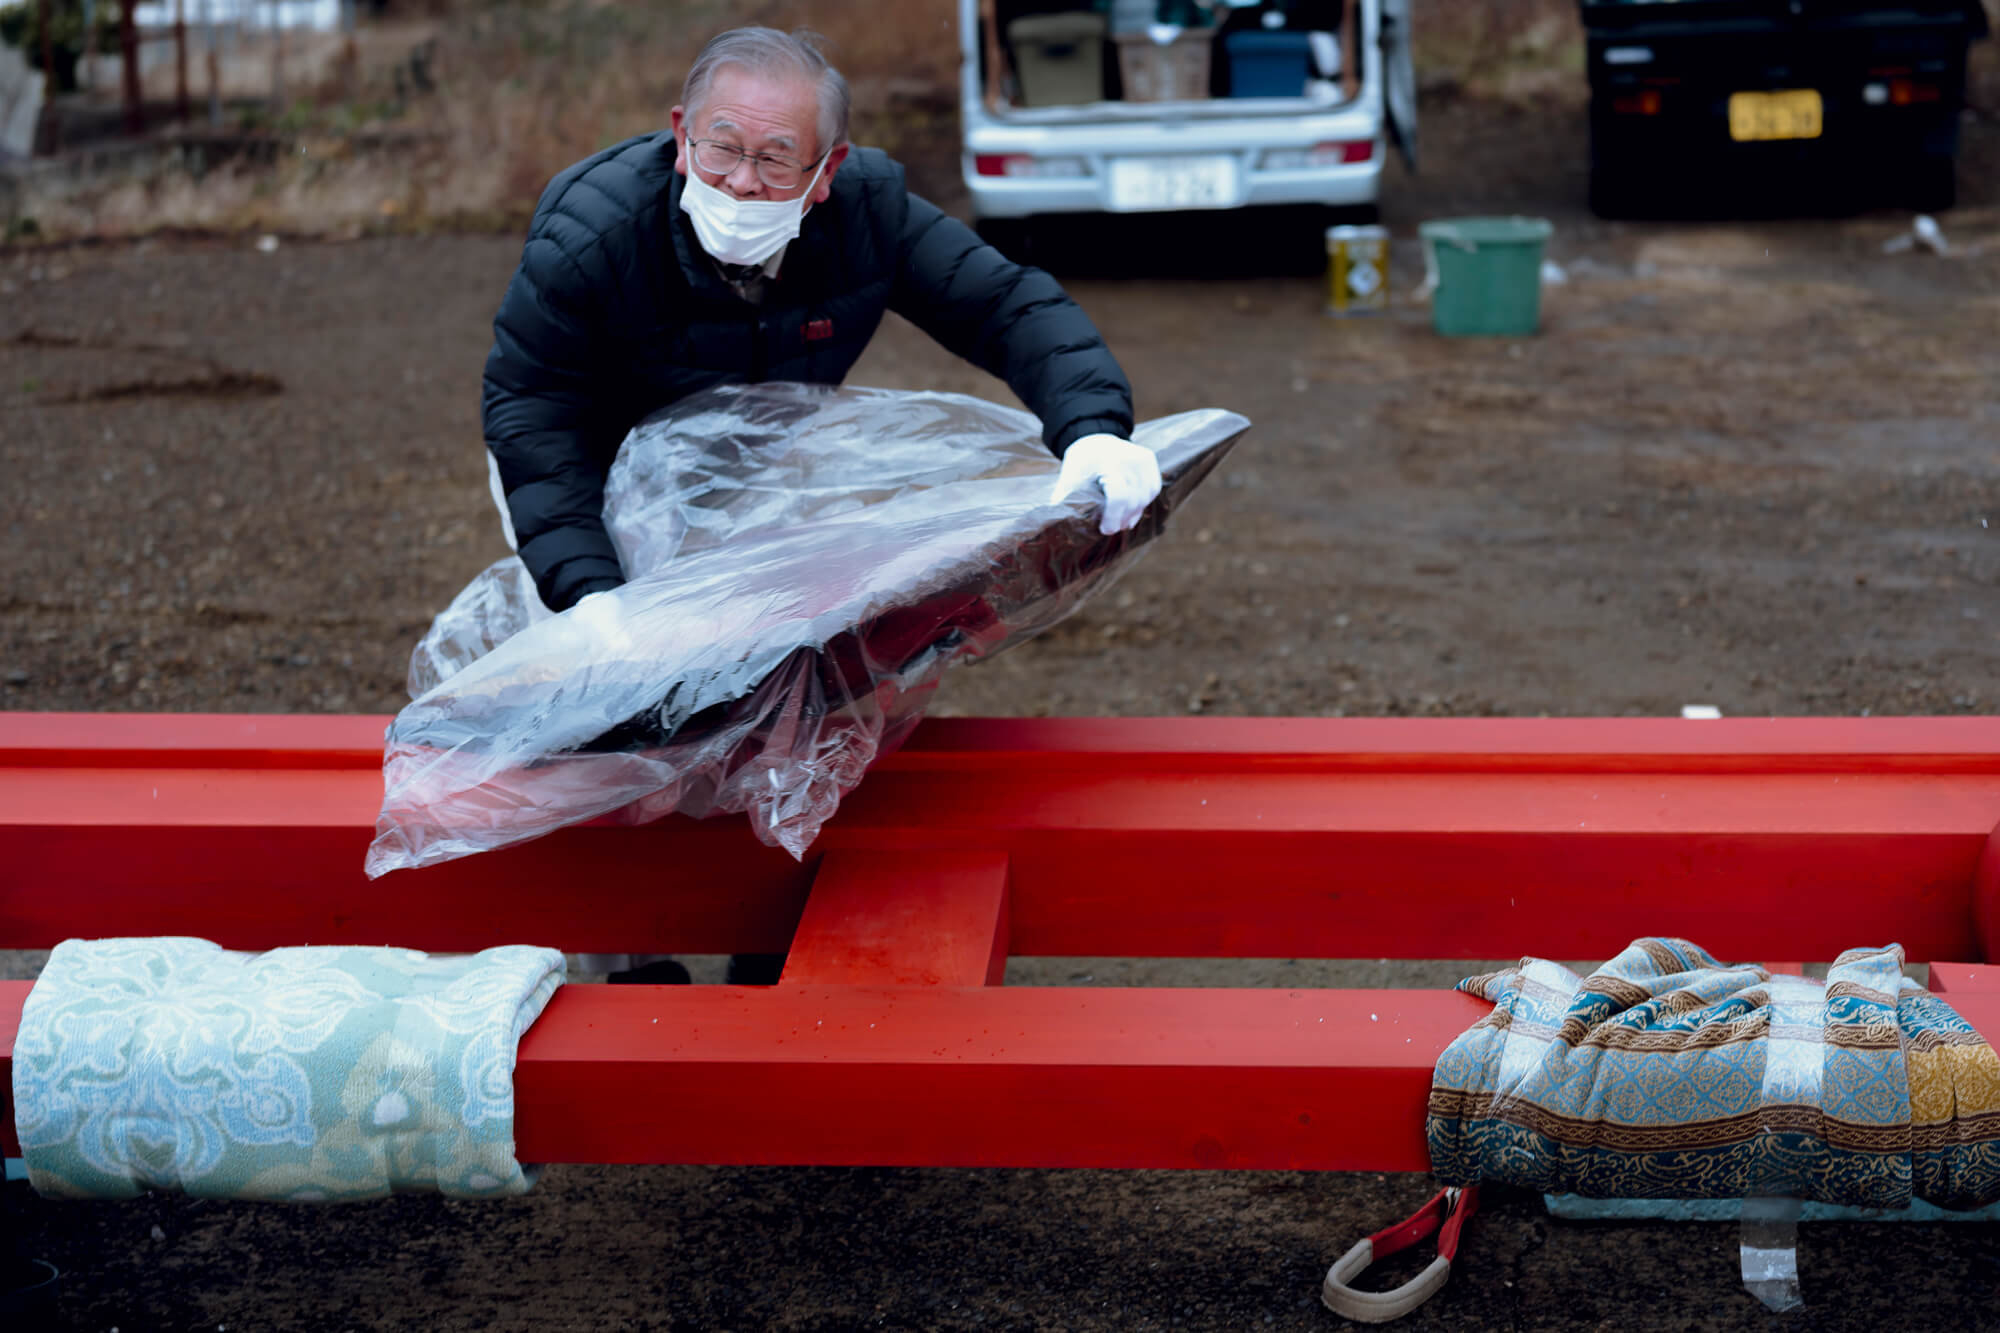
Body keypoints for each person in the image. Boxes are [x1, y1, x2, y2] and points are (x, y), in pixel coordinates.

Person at [481, 25, 1161, 986]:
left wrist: (1092, 425)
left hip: (758, 469)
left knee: (796, 685)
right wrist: (591, 592)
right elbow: (530, 407)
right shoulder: (593, 231)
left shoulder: (869, 212)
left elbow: (1006, 305)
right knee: (615, 712)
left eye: (775, 159)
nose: (744, 183)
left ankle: (770, 924)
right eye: (721, 150)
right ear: (681, 137)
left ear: (827, 167)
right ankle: (633, 949)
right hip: (594, 478)